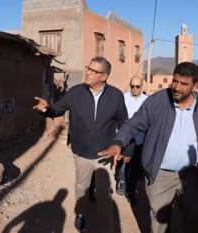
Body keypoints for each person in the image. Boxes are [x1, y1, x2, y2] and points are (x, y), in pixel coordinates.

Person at [100, 62, 198, 233]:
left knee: (195, 217)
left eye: (184, 84)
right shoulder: (158, 100)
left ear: (195, 85)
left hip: (190, 174)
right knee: (160, 220)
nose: (177, 87)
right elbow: (133, 124)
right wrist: (118, 142)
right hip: (160, 173)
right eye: (175, 81)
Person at [33, 56, 131, 233]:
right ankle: (81, 213)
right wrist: (47, 109)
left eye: (94, 71)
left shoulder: (116, 96)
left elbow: (124, 123)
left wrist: (121, 145)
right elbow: (58, 108)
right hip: (81, 152)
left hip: (105, 153)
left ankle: (106, 228)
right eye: (88, 68)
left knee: (104, 196)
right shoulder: (75, 92)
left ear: (104, 76)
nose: (88, 72)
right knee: (82, 188)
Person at [116, 76, 148, 200]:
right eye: (132, 86)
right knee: (125, 161)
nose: (134, 89)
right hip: (126, 134)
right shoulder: (123, 98)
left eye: (137, 86)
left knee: (136, 164)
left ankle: (131, 190)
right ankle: (122, 181)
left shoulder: (147, 100)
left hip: (141, 136)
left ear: (142, 85)